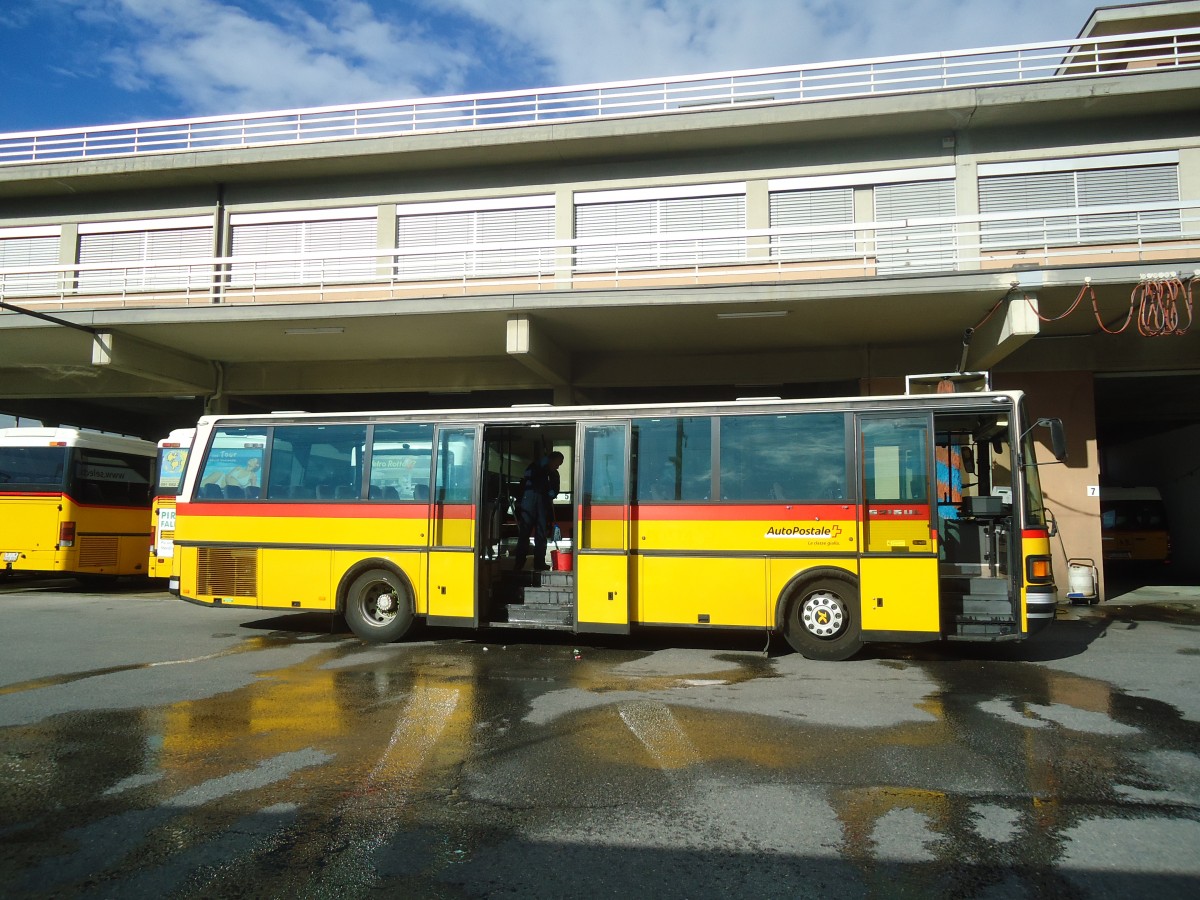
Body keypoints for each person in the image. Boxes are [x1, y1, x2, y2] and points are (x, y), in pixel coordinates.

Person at [513, 450, 564, 571]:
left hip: (543, 505)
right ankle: (519, 563)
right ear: (550, 460)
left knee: (541, 535)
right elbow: (527, 474)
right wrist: (541, 465)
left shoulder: (554, 474)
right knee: (525, 533)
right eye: (557, 463)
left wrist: (553, 493)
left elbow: (555, 488)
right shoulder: (536, 467)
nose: (557, 466)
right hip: (529, 502)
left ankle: (539, 563)